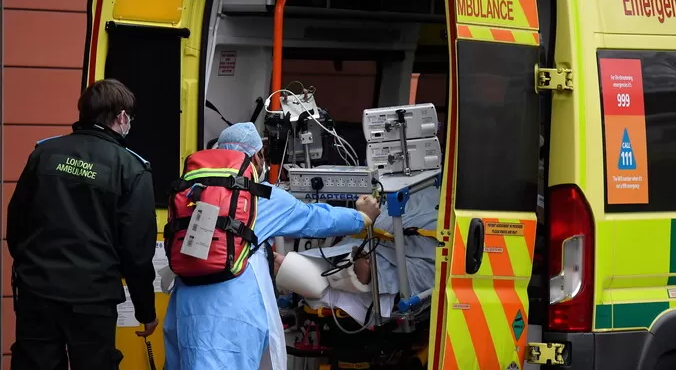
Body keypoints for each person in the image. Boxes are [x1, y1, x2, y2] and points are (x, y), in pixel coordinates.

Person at [162, 122, 381, 370]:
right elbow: (315, 218)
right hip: (231, 317)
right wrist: (361, 217)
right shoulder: (259, 195)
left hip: (183, 310)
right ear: (257, 157)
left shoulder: (190, 192)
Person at [6, 78, 159, 370]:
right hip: (93, 299)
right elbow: (137, 251)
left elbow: (16, 222)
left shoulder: (44, 153)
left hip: (37, 292)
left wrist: (31, 267)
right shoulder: (131, 168)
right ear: (122, 117)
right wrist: (145, 310)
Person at [274, 185, 440, 325]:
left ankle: (353, 271)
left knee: (416, 253)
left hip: (425, 210)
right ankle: (353, 269)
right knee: (362, 242)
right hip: (391, 215)